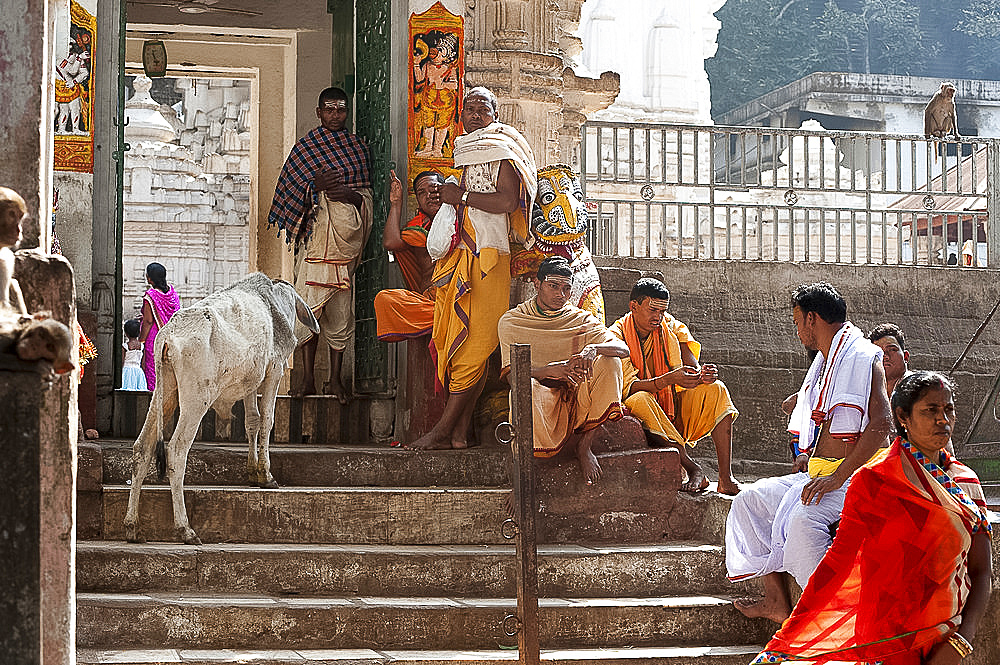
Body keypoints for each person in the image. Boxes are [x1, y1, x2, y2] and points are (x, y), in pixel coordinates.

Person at [752, 371, 992, 665]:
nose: (943, 420)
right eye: (931, 410)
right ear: (903, 416)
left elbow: (982, 571)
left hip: (945, 638)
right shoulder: (874, 480)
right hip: (885, 639)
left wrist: (960, 641)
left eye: (948, 409)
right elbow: (838, 561)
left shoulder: (966, 483)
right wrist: (789, 639)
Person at [725, 282, 893, 623]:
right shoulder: (825, 361)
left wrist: (837, 476)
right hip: (817, 471)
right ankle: (776, 601)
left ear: (812, 319)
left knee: (802, 526)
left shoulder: (863, 355)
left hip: (854, 476)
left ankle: (833, 619)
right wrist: (806, 438)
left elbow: (881, 424)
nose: (797, 329)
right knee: (748, 501)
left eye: (797, 321)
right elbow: (825, 416)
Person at [408, 86, 538, 450]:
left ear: (494, 115)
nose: (475, 114)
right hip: (461, 255)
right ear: (460, 116)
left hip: (489, 257)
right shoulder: (463, 151)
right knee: (462, 344)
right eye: (469, 108)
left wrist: (460, 196)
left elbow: (509, 200)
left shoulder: (501, 150)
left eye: (483, 108)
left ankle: (440, 431)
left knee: (476, 344)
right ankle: (459, 433)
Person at [268, 86, 373, 402]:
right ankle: (308, 378)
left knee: (342, 316)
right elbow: (287, 190)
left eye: (341, 109)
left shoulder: (358, 149)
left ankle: (337, 380)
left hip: (343, 251)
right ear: (318, 112)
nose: (335, 115)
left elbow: (366, 197)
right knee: (305, 313)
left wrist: (347, 195)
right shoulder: (305, 149)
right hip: (314, 249)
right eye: (329, 109)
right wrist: (314, 185)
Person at [497, 256, 630, 483]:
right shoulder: (513, 322)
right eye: (553, 286)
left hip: (578, 396)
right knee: (526, 387)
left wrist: (593, 348)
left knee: (611, 361)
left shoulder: (580, 319)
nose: (561, 294)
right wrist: (550, 371)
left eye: (567, 288)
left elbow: (622, 348)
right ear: (537, 284)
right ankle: (526, 475)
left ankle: (585, 447)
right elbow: (512, 376)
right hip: (541, 396)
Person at [609, 277, 740, 495]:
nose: (658, 317)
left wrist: (703, 375)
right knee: (640, 399)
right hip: (643, 410)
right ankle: (693, 468)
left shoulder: (669, 325)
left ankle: (725, 477)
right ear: (633, 306)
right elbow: (629, 388)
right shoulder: (616, 335)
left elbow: (691, 368)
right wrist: (668, 380)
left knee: (717, 389)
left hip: (672, 404)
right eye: (652, 310)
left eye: (662, 311)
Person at [373, 169, 442, 342]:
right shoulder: (417, 227)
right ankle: (443, 317)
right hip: (429, 304)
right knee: (384, 300)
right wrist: (396, 203)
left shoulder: (462, 221)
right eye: (421, 193)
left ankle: (447, 316)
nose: (428, 196)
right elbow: (391, 243)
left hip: (458, 300)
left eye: (433, 189)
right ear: (418, 200)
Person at [139, 261, 180, 391]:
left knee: (153, 370)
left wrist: (141, 340)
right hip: (172, 337)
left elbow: (148, 321)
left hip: (155, 337)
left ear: (150, 278)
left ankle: (153, 399)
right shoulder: (172, 294)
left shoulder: (151, 296)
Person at [867, 322, 909, 396]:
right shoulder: (866, 394)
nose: (885, 356)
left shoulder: (922, 388)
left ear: (905, 356)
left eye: (892, 350)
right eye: (878, 353)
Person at [121, 318, 147, 391]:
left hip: (126, 372)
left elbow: (122, 362)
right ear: (139, 332)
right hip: (138, 372)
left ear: (126, 333)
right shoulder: (142, 347)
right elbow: (143, 364)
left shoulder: (125, 346)